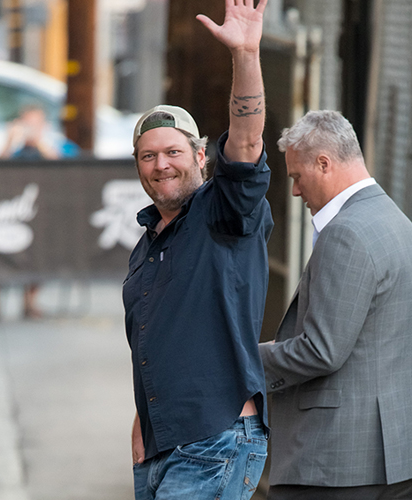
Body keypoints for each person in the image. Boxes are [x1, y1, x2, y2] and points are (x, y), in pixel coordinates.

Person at [124, 1, 273, 498]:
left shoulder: (225, 211)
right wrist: (145, 417)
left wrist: (246, 55)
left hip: (215, 442)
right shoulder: (146, 244)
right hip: (161, 446)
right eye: (148, 156)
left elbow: (248, 144)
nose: (161, 164)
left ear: (201, 156)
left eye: (173, 152)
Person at [259, 110, 412, 500]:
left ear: (324, 163)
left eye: (296, 176)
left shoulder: (345, 232)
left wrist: (241, 361)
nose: (295, 191)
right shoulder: (397, 222)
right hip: (400, 457)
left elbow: (321, 351)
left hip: (340, 465)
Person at [0, 105, 79, 321]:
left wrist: (40, 141)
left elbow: (67, 168)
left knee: (42, 250)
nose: (30, 129)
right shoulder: (15, 150)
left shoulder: (57, 145)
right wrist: (10, 141)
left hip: (43, 215)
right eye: (27, 124)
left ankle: (31, 300)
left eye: (35, 124)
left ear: (44, 126)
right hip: (8, 213)